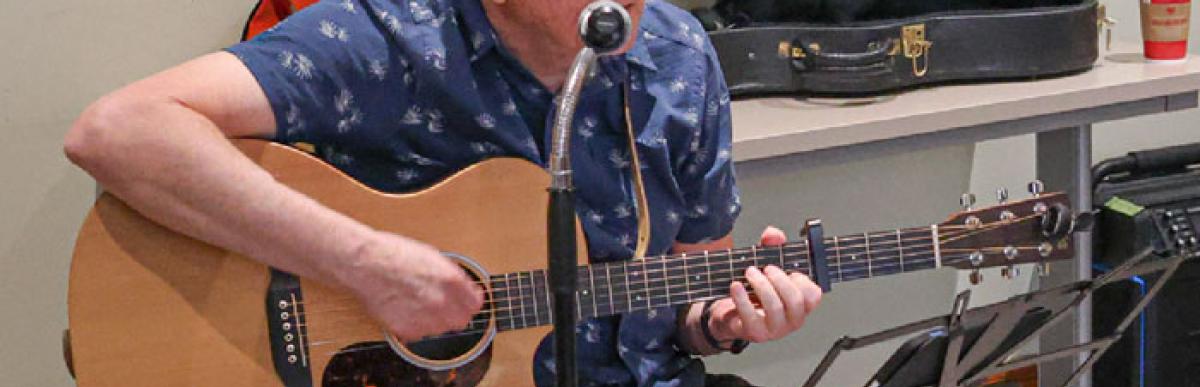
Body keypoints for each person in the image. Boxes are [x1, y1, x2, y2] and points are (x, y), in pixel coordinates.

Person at [63, 0, 823, 385]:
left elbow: (690, 294)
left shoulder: (680, 57)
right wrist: (363, 262)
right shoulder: (388, 37)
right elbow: (119, 130)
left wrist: (724, 321)